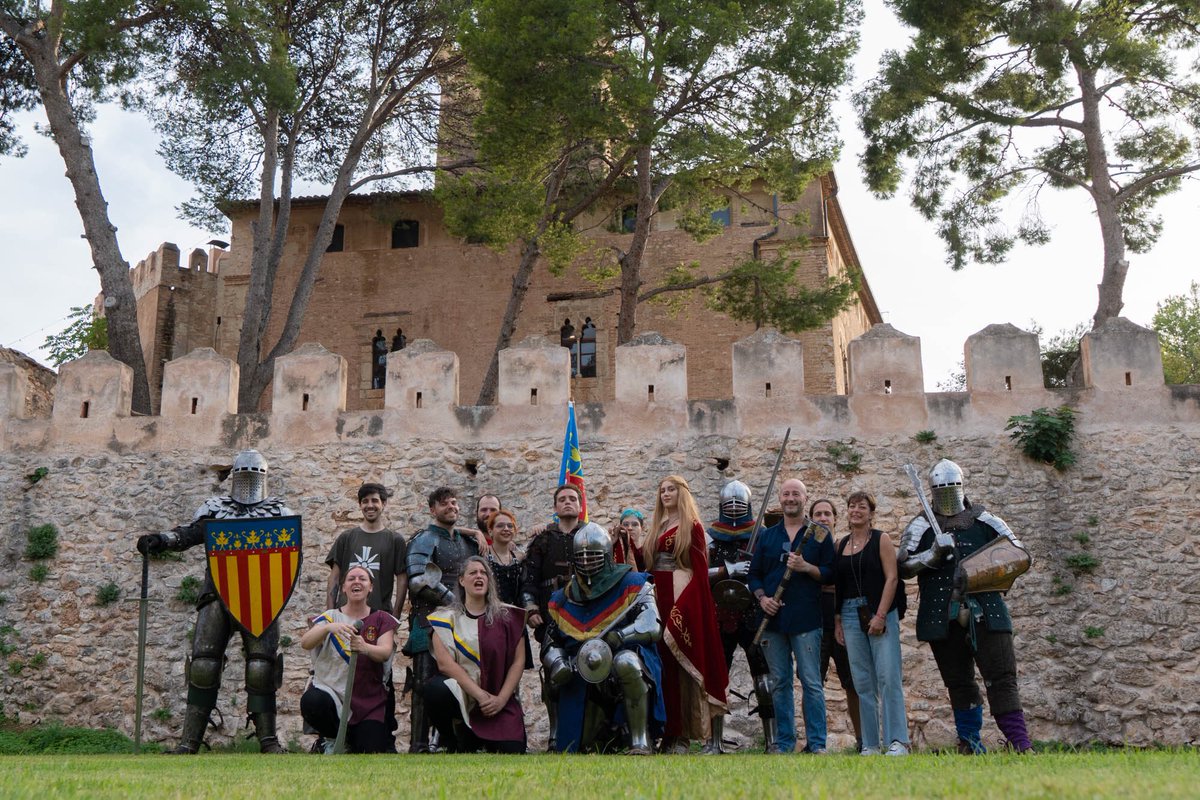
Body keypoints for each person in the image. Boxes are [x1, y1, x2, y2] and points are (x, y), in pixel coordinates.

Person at [135, 449, 294, 754]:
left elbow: (286, 558)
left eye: (255, 473)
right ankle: (189, 742)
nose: (249, 479)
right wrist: (163, 539)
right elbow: (191, 534)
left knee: (262, 667)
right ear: (234, 475)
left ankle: (269, 741)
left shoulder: (279, 513)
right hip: (217, 592)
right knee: (204, 666)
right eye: (244, 473)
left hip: (261, 597)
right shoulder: (216, 508)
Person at [898, 459, 1034, 754]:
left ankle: (1020, 743)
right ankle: (970, 742)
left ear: (962, 486)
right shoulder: (921, 524)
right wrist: (932, 555)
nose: (947, 493)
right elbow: (904, 565)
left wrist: (977, 571)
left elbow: (1020, 556)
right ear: (932, 490)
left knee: (1001, 677)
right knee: (958, 682)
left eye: (952, 486)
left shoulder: (986, 520)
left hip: (986, 609)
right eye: (941, 488)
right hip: (941, 614)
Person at [543, 523, 665, 753]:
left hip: (621, 655)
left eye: (594, 556)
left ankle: (640, 740)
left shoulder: (633, 583)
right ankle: (558, 738)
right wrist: (558, 662)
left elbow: (652, 624)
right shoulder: (563, 597)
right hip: (580, 666)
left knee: (626, 662)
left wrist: (621, 636)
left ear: (607, 556)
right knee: (552, 672)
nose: (587, 562)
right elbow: (551, 641)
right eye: (582, 557)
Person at [748, 478, 834, 755]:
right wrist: (763, 599)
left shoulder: (819, 534)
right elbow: (754, 575)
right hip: (773, 621)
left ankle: (817, 744)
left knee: (811, 682)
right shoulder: (768, 536)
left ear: (805, 498)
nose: (790, 498)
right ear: (780, 499)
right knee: (780, 683)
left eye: (796, 493)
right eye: (786, 494)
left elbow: (830, 573)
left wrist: (806, 566)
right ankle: (785, 743)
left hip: (807, 618)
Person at [643, 475, 729, 753]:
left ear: (682, 494)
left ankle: (681, 735)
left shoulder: (691, 526)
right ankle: (665, 733)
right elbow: (645, 563)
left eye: (671, 489)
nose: (665, 494)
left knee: (679, 669)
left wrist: (684, 608)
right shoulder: (657, 526)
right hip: (657, 596)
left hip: (680, 596)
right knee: (660, 668)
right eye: (662, 490)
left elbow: (700, 573)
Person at [323, 482, 407, 750]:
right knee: (340, 672)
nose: (370, 505)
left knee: (382, 675)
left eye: (375, 501)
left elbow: (402, 578)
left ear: (383, 504)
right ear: (359, 505)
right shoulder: (347, 538)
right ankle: (333, 736)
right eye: (365, 501)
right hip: (346, 616)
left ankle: (386, 737)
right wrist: (329, 612)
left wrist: (394, 614)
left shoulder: (394, 540)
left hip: (378, 617)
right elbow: (335, 576)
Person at [404, 486, 481, 753]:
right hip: (429, 619)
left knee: (463, 680)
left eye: (455, 503)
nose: (452, 507)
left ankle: (457, 740)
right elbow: (417, 581)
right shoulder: (424, 539)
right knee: (423, 682)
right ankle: (419, 744)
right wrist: (451, 599)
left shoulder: (466, 542)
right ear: (432, 509)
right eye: (445, 504)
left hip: (462, 622)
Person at [424, 557, 528, 753]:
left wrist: (501, 700)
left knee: (513, 750)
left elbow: (518, 662)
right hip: (465, 700)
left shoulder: (509, 617)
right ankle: (451, 739)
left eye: (483, 573)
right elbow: (445, 665)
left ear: (489, 581)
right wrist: (480, 696)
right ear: (462, 581)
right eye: (473, 573)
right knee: (434, 690)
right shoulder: (445, 619)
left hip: (498, 701)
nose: (479, 576)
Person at [833, 491, 909, 756]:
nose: (856, 510)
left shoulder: (881, 539)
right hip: (850, 614)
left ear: (871, 512)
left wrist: (880, 615)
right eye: (852, 506)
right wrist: (838, 620)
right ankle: (870, 743)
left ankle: (897, 740)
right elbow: (839, 586)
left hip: (880, 612)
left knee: (888, 677)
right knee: (862, 682)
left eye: (862, 507)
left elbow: (892, 579)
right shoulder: (841, 544)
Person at [706, 480, 777, 753]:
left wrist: (753, 585)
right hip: (720, 612)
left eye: (739, 503)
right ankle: (714, 741)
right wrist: (727, 570)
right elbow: (700, 574)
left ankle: (772, 742)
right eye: (729, 503)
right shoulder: (710, 536)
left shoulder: (762, 535)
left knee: (763, 677)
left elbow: (770, 571)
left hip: (754, 611)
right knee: (717, 677)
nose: (734, 508)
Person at [300, 565, 399, 753]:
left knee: (370, 750)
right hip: (333, 694)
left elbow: (385, 652)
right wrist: (327, 628)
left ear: (370, 587)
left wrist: (365, 648)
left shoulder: (381, 618)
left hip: (368, 701)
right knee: (312, 701)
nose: (356, 582)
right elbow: (306, 643)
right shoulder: (330, 617)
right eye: (351, 578)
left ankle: (350, 742)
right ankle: (330, 738)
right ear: (344, 587)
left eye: (362, 579)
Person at [521, 484, 587, 749]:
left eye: (572, 499)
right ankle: (556, 735)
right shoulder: (542, 540)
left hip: (586, 615)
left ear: (580, 505)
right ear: (555, 507)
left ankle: (585, 734)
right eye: (562, 499)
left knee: (587, 669)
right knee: (553, 674)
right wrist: (531, 609)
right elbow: (529, 579)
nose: (568, 502)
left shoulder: (591, 535)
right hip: (551, 616)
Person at [809, 498, 863, 751]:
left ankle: (865, 739)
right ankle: (814, 742)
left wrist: (822, 579)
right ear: (811, 518)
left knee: (853, 683)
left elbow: (845, 582)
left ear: (834, 518)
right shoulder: (807, 548)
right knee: (813, 683)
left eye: (827, 514)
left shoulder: (845, 547)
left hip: (844, 622)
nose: (822, 518)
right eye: (817, 514)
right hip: (815, 622)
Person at [486, 508, 534, 669]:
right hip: (490, 621)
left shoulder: (520, 558)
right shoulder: (483, 558)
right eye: (500, 526)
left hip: (515, 622)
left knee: (515, 668)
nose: (506, 529)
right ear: (490, 531)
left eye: (509, 526)